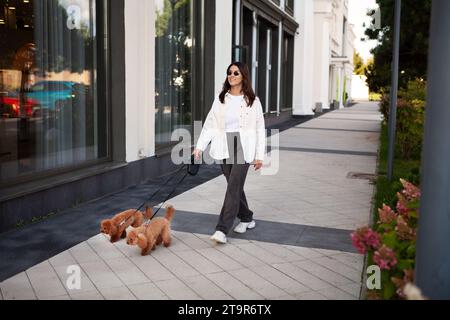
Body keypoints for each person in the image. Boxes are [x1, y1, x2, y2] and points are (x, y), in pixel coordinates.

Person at [193, 62, 266, 244]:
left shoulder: (253, 101)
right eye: (229, 73)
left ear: (244, 76)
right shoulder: (221, 99)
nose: (231, 75)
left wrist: (260, 155)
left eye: (236, 73)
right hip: (224, 144)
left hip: (243, 145)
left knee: (233, 186)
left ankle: (222, 229)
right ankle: (247, 217)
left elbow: (260, 129)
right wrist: (200, 146)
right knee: (235, 186)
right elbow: (210, 124)